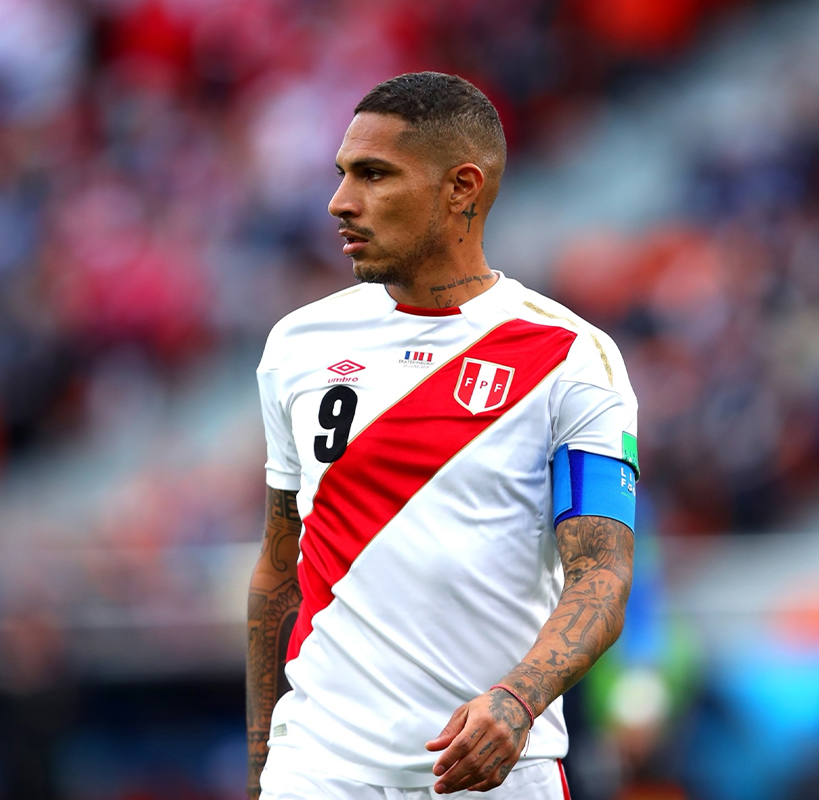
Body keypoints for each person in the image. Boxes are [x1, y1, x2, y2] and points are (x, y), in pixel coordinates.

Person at [247, 72, 638, 799]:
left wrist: (518, 700)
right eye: (342, 175)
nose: (340, 202)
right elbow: (278, 570)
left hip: (495, 772)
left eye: (374, 175)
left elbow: (603, 576)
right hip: (320, 771)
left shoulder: (570, 357)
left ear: (462, 187)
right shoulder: (297, 345)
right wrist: (261, 766)